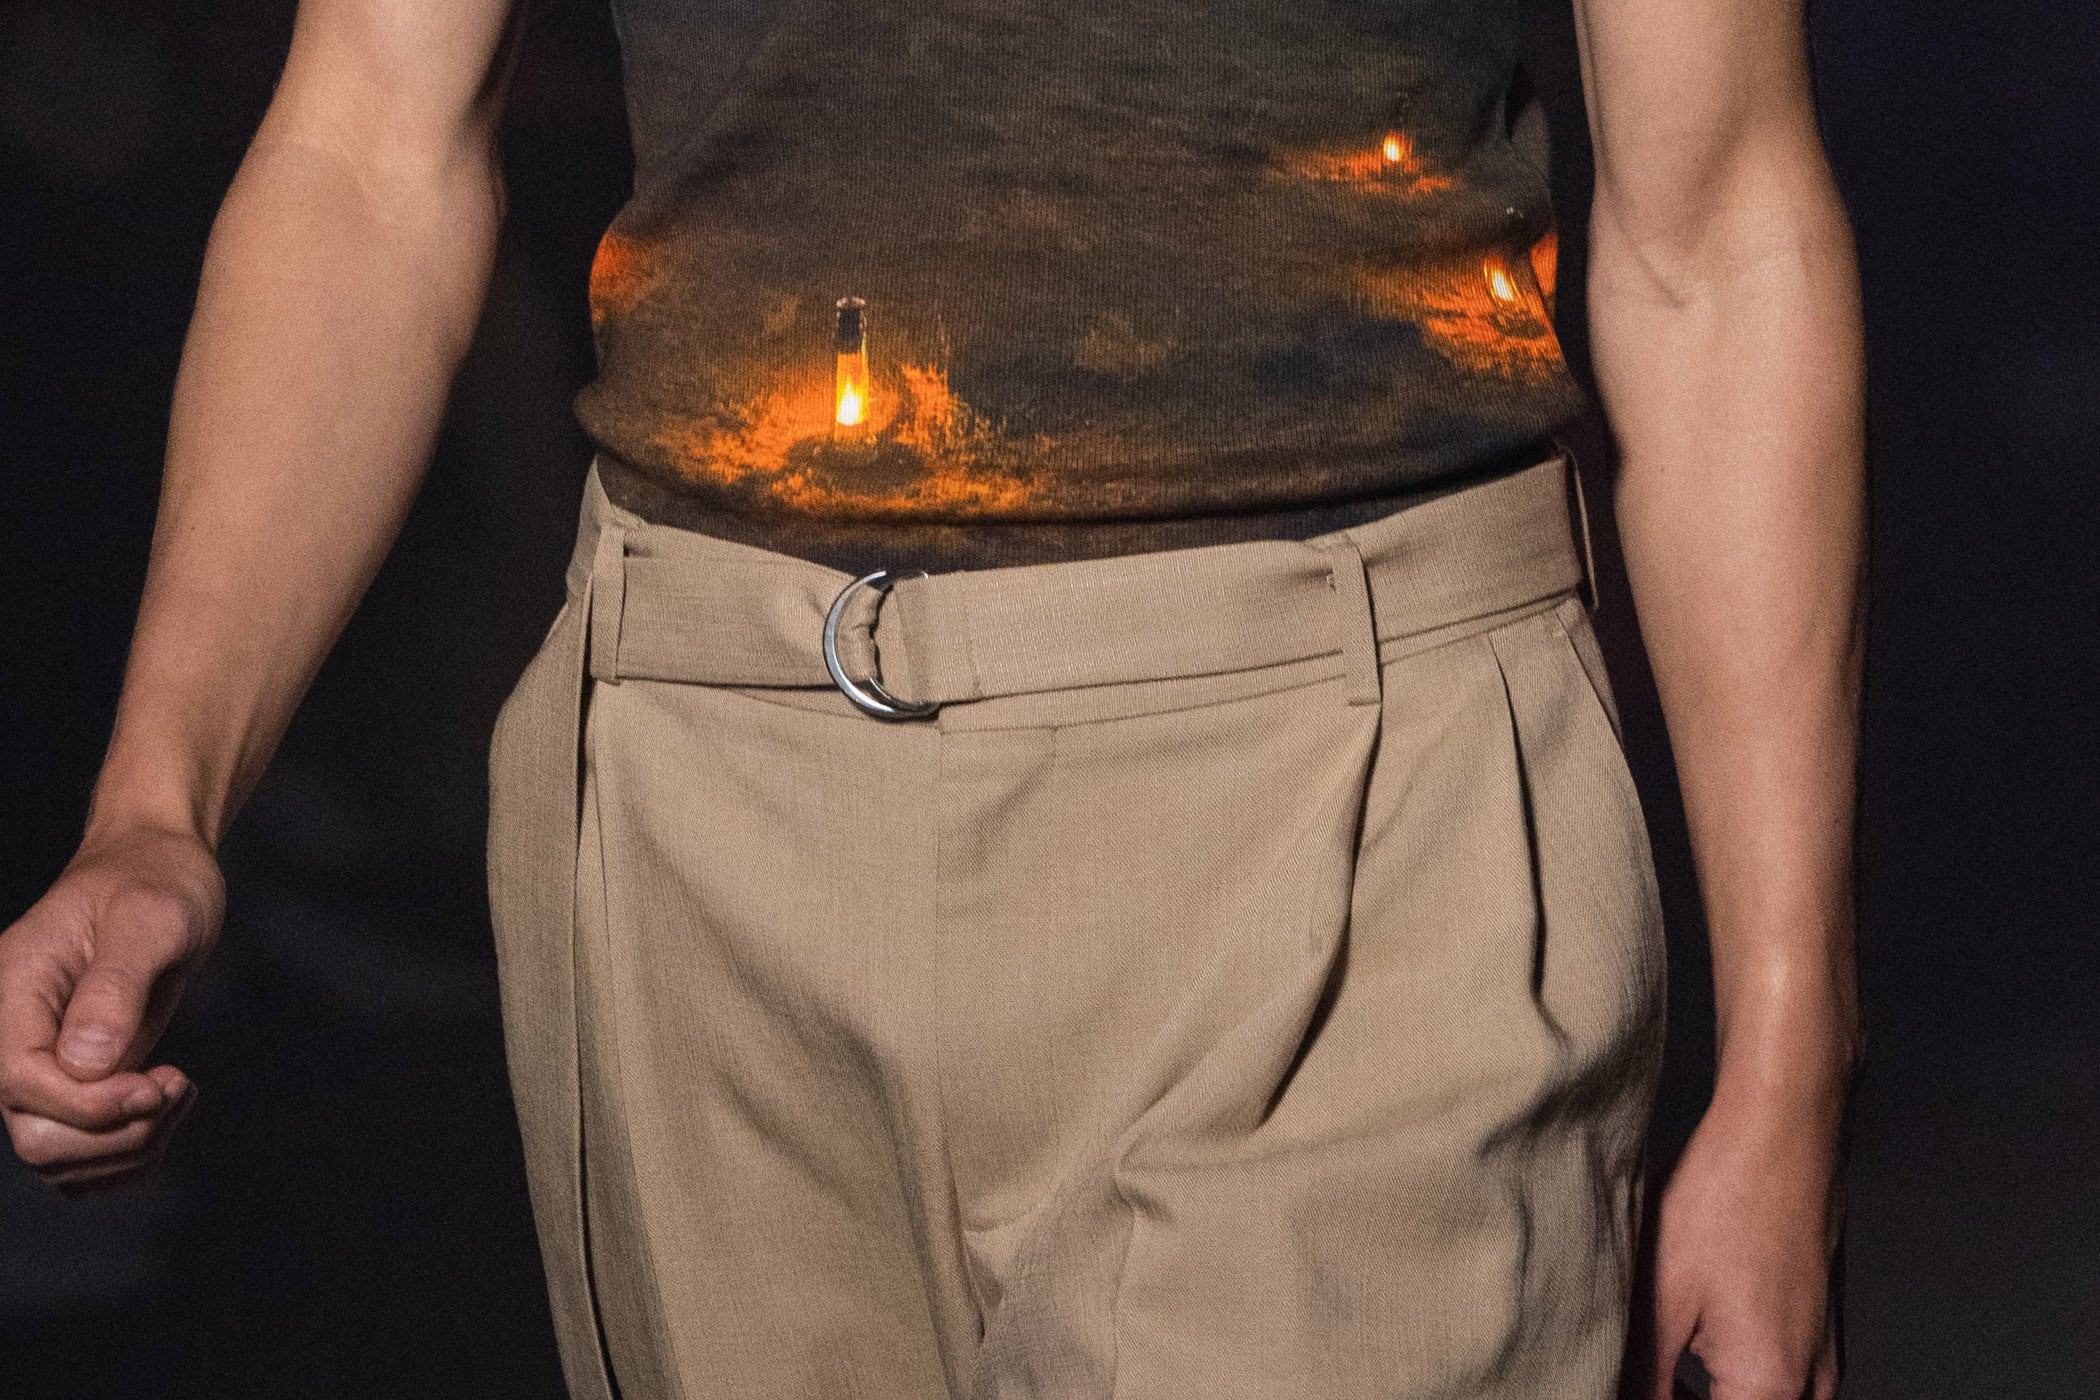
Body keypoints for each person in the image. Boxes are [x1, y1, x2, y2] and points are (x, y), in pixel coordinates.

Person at [0, 0, 1863, 1395]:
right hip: (706, 812)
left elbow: (1713, 236)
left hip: (1350, 796)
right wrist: (158, 804)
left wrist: (1790, 1058)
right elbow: (368, 143)